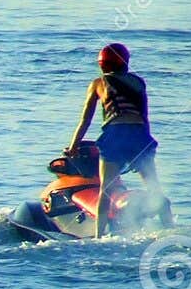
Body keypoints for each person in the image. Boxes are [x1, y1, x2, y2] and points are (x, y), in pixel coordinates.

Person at [67, 42, 173, 237]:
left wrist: (73, 147)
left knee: (105, 189)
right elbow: (144, 116)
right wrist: (146, 144)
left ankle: (100, 236)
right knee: (154, 188)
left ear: (102, 64)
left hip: (115, 136)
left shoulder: (98, 83)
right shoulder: (139, 82)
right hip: (140, 136)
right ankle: (171, 229)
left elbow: (85, 120)